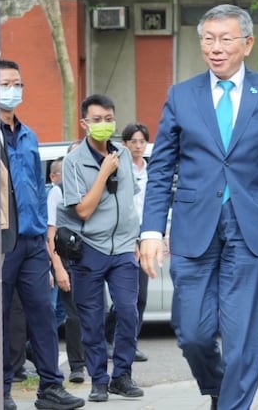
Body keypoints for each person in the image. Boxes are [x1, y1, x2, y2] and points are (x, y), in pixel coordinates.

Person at [139, 4, 258, 410]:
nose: (216, 48)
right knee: (192, 332)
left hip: (252, 228)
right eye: (208, 39)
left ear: (247, 44)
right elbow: (161, 169)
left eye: (225, 39)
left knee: (242, 337)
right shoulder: (181, 96)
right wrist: (150, 231)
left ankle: (233, 403)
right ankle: (218, 387)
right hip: (195, 229)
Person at [0, 59, 84, 410]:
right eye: (5, 83)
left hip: (33, 241)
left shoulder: (30, 135)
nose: (12, 89)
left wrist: (47, 246)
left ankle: (50, 386)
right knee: (0, 318)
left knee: (43, 315)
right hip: (1, 240)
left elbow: (36, 187)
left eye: (16, 83)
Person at [56, 94, 144, 402]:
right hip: (89, 248)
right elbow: (83, 210)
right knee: (91, 320)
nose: (104, 125)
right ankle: (99, 380)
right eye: (97, 120)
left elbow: (130, 203)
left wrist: (136, 239)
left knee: (127, 312)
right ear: (84, 124)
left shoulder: (121, 153)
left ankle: (122, 375)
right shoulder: (73, 162)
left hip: (122, 248)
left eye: (109, 119)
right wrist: (104, 172)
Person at [105, 123, 151, 362]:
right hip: (125, 236)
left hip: (146, 235)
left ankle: (131, 343)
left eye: (142, 141)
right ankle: (109, 339)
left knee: (141, 296)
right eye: (133, 141)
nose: (138, 146)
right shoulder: (120, 168)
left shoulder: (150, 170)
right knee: (127, 297)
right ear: (124, 144)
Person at [46, 156, 86, 384]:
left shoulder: (84, 189)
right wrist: (58, 267)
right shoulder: (56, 193)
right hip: (65, 257)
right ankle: (77, 366)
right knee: (73, 315)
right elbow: (50, 234)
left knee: (81, 312)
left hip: (85, 256)